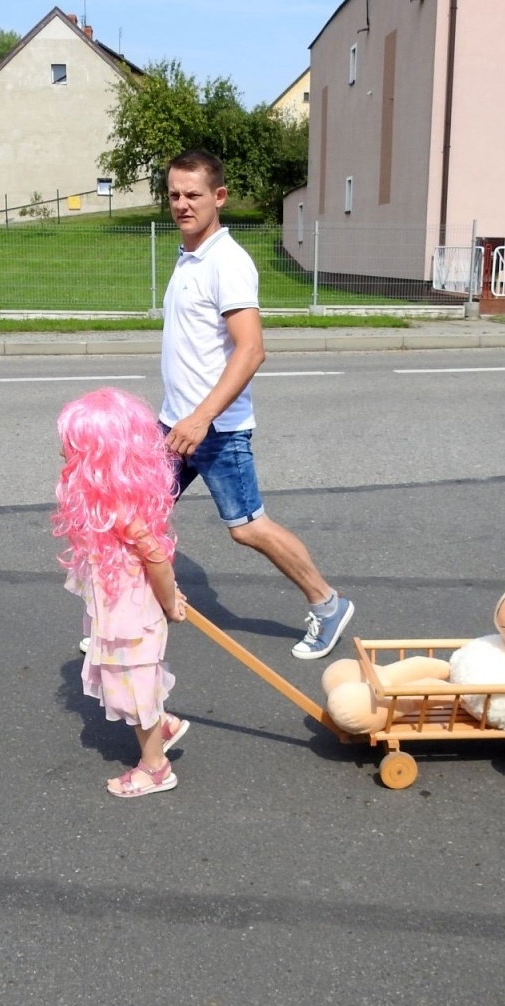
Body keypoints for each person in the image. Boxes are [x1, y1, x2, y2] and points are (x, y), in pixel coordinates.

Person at [160, 148, 355, 660]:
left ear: (219, 197)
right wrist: (181, 416)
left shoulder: (227, 261)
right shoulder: (189, 257)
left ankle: (328, 604)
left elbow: (252, 349)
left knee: (247, 527)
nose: (182, 204)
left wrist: (203, 418)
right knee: (141, 513)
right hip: (175, 425)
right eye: (175, 194)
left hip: (216, 430)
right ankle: (130, 618)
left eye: (194, 195)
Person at [55, 388, 191, 797]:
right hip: (120, 613)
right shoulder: (105, 500)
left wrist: (171, 602)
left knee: (132, 688)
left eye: (73, 447)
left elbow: (158, 561)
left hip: (133, 619)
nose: (63, 453)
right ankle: (161, 725)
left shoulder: (122, 512)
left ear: (100, 457)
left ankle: (156, 768)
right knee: (133, 684)